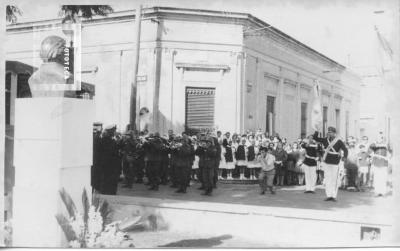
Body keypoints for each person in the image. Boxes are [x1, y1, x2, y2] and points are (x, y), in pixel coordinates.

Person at [313, 126, 348, 202]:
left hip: (335, 162)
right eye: (328, 132)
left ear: (335, 133)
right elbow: (316, 138)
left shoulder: (338, 141)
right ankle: (328, 195)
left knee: (334, 180)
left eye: (331, 132)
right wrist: (316, 131)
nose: (329, 133)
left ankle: (333, 196)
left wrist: (344, 157)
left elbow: (345, 149)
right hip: (327, 161)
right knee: (328, 178)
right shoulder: (325, 140)